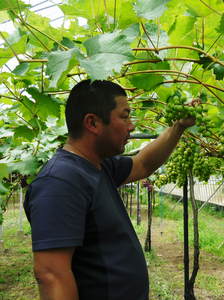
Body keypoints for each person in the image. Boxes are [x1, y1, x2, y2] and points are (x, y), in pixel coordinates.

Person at [24, 79, 195, 300]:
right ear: (93, 123)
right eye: (124, 116)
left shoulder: (97, 166)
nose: (132, 125)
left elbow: (143, 163)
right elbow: (51, 275)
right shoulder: (60, 181)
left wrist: (178, 127)